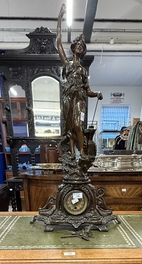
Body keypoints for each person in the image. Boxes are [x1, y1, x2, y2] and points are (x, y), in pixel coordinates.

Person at [57, 3, 103, 158]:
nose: (80, 47)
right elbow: (58, 43)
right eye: (78, 45)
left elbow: (88, 90)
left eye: (82, 46)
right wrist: (59, 19)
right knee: (69, 126)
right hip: (67, 97)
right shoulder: (67, 64)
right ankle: (71, 153)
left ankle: (82, 151)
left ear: (83, 51)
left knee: (78, 124)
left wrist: (96, 94)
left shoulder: (83, 71)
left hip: (79, 98)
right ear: (74, 47)